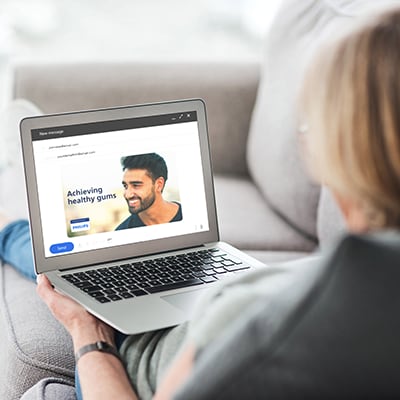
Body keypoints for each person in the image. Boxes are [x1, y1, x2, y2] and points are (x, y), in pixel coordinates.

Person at [2, 6, 400, 399]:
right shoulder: (348, 288)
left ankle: (9, 225)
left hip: (139, 355)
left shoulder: (260, 317)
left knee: (65, 270)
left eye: (310, 124)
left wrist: (87, 331)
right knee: (68, 259)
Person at [115, 153, 182, 230]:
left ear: (158, 185)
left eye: (136, 185)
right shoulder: (123, 232)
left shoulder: (191, 215)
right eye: (125, 186)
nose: (128, 194)